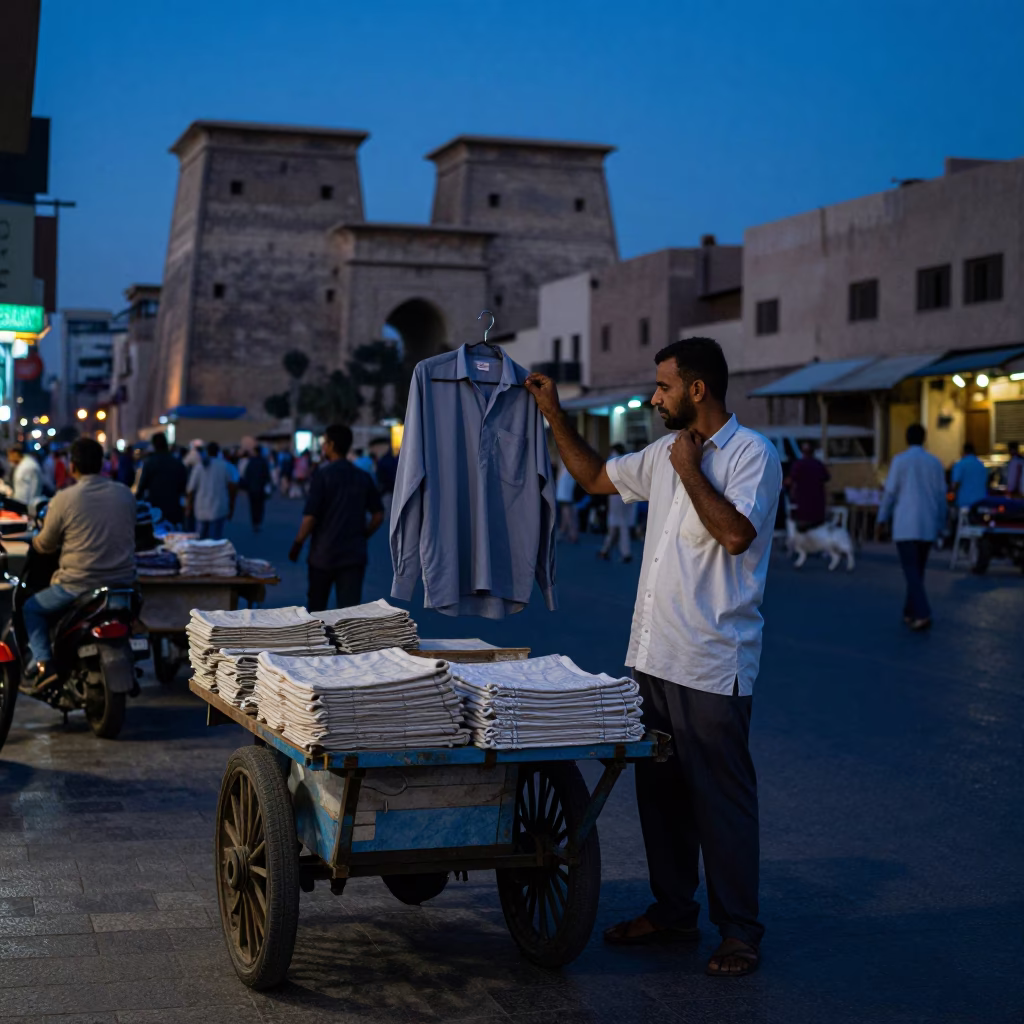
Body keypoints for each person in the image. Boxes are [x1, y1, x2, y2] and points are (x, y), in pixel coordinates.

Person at [525, 336, 781, 978]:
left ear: (697, 390)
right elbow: (593, 477)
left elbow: (734, 534)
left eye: (662, 386)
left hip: (711, 661)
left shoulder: (754, 455)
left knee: (720, 800)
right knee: (660, 794)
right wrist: (554, 414)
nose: (652, 395)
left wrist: (691, 469)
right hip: (654, 658)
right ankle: (673, 910)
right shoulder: (663, 452)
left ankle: (739, 931)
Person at [21, 438, 136, 691]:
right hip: (122, 584)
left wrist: (37, 542)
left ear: (73, 467)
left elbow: (46, 543)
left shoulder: (64, 499)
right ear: (103, 464)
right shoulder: (125, 494)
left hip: (77, 586)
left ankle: (44, 664)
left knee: (31, 608)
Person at [288, 424, 384, 612]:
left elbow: (310, 518)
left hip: (322, 556)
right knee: (348, 615)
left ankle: (319, 642)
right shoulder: (363, 477)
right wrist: (363, 534)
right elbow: (378, 515)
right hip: (353, 556)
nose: (323, 447)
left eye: (324, 443)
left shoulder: (322, 476)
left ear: (331, 445)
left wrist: (297, 544)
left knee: (317, 611)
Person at [877, 424, 947, 631]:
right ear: (924, 438)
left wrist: (882, 518)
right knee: (918, 570)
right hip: (927, 523)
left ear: (907, 439)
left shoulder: (900, 461)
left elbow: (890, 493)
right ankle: (909, 611)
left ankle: (922, 612)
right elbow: (941, 496)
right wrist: (942, 523)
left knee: (911, 570)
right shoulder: (934, 463)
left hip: (905, 523)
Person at [136, 431, 188, 527]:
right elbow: (184, 486)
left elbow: (142, 486)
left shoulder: (150, 463)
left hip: (155, 509)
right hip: (174, 507)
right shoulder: (177, 463)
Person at [186, 441, 236, 540]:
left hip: (200, 509)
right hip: (219, 508)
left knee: (200, 539)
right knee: (215, 541)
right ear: (218, 452)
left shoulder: (199, 467)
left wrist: (188, 507)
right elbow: (233, 487)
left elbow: (191, 489)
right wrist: (231, 506)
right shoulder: (225, 466)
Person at [598, 444, 636, 562]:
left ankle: (615, 550)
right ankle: (610, 550)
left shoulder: (612, 460)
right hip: (626, 494)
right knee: (620, 525)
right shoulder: (628, 459)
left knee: (615, 524)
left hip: (614, 495)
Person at [786, 439, 830, 530]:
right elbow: (827, 478)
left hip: (803, 508)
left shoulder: (798, 465)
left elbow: (790, 481)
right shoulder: (819, 465)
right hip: (818, 509)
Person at [241, 445, 272, 532]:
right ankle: (258, 522)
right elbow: (267, 475)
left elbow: (246, 475)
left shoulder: (251, 462)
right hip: (261, 488)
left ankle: (254, 522)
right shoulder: (263, 462)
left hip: (252, 488)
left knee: (253, 506)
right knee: (260, 506)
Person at [950, 443, 989, 509]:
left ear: (963, 452)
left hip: (965, 503)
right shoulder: (981, 465)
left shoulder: (960, 464)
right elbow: (986, 482)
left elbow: (955, 483)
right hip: (981, 502)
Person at [555, 460, 578, 543]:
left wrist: (557, 483)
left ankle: (572, 533)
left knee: (565, 508)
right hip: (569, 479)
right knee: (567, 507)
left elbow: (560, 470)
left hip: (564, 480)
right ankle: (563, 530)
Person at [375, 446, 399, 521]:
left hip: (386, 491)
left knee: (387, 515)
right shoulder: (395, 460)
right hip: (395, 490)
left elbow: (379, 476)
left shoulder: (382, 461)